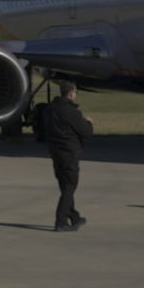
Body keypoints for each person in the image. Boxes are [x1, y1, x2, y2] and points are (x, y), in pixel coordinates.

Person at [45, 80, 93, 232]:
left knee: (65, 186)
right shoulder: (71, 111)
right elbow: (86, 132)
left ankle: (74, 217)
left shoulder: (51, 109)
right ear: (71, 93)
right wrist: (89, 123)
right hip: (69, 153)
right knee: (70, 187)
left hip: (55, 152)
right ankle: (60, 221)